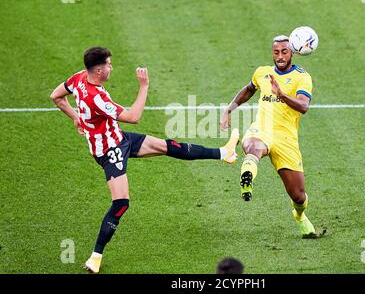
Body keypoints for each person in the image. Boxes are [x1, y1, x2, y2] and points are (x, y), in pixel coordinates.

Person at [50, 47, 240, 273]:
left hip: (118, 138)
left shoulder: (79, 77)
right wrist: (144, 86)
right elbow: (134, 117)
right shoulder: (97, 98)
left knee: (167, 146)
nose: (112, 67)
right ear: (99, 69)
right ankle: (95, 256)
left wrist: (77, 118)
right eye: (109, 64)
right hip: (110, 151)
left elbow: (56, 96)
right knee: (121, 203)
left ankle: (224, 153)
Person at [220, 35, 324, 239]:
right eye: (276, 52)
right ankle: (247, 177)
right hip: (262, 128)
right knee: (252, 146)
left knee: (298, 196)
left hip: (286, 138)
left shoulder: (302, 77)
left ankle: (299, 215)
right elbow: (249, 89)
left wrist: (282, 94)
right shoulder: (262, 72)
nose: (280, 56)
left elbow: (303, 106)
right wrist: (229, 109)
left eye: (284, 51)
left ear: (292, 52)